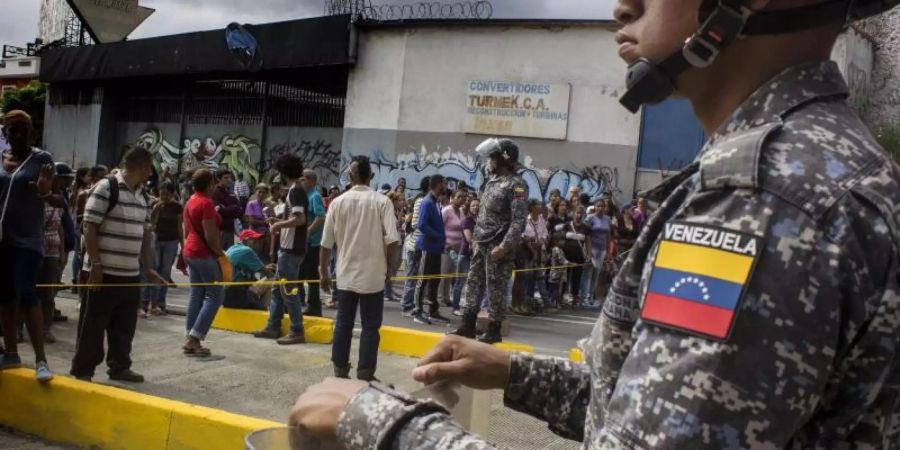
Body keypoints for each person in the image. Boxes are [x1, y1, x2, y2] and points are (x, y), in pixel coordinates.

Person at [289, 1, 900, 448]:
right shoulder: (806, 168)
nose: (622, 7)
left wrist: (382, 425)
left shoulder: (763, 201)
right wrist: (515, 372)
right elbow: (653, 408)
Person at [70, 146, 163, 383]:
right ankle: (83, 370)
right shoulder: (106, 187)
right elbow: (89, 226)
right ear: (141, 166)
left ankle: (120, 366)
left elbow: (144, 234)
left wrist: (148, 268)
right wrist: (97, 265)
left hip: (130, 274)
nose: (151, 173)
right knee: (93, 325)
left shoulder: (142, 194)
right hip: (103, 273)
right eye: (149, 167)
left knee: (124, 326)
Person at [320, 155, 400, 382]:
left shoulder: (337, 202)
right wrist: (390, 271)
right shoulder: (382, 202)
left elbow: (326, 244)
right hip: (374, 276)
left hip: (345, 275)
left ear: (350, 175)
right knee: (370, 327)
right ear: (371, 177)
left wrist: (324, 272)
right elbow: (392, 240)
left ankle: (339, 369)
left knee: (343, 324)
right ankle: (365, 373)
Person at [450, 138, 527, 344]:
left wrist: (504, 247)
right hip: (481, 242)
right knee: (473, 283)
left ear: (503, 159)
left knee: (496, 287)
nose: (489, 161)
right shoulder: (491, 180)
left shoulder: (516, 185)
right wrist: (475, 240)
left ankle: (494, 328)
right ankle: (467, 324)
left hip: (498, 245)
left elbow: (519, 221)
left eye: (493, 157)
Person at [0, 111, 58, 381]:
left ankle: (41, 360)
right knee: (4, 296)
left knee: (26, 292)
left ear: (33, 132)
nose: (19, 134)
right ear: (5, 133)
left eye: (24, 129)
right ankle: (11, 352)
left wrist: (45, 190)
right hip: (2, 240)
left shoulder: (42, 159)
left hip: (28, 240)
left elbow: (52, 195)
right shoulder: (1, 160)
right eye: (13, 130)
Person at [253, 154, 308, 345]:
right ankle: (273, 325)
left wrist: (277, 226)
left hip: (291, 248)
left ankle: (296, 330)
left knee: (287, 290)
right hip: (290, 247)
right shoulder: (296, 190)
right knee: (278, 289)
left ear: (283, 172)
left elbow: (300, 219)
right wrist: (279, 221)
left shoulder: (295, 191)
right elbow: (296, 219)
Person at [182, 169, 227, 357]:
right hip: (203, 254)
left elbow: (186, 230)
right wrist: (221, 255)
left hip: (190, 251)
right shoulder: (207, 203)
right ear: (209, 185)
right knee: (215, 296)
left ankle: (190, 337)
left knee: (197, 293)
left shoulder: (190, 200)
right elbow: (210, 236)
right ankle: (195, 337)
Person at [35, 163, 72, 344]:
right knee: (26, 291)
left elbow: (60, 228)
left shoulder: (57, 200)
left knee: (48, 294)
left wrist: (62, 252)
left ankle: (46, 329)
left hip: (51, 252)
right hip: (33, 250)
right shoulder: (32, 198)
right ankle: (19, 329)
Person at [411, 175, 449, 325]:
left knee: (435, 280)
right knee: (423, 280)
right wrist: (438, 235)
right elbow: (422, 225)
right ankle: (417, 311)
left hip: (436, 249)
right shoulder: (427, 202)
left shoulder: (435, 202)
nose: (446, 186)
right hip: (427, 247)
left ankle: (433, 311)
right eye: (444, 183)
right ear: (437, 184)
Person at [149, 181, 183, 315]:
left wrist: (182, 244)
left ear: (172, 193)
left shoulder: (177, 207)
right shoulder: (155, 204)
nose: (164, 197)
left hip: (171, 241)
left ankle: (161, 302)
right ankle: (153, 303)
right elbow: (150, 222)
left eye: (167, 194)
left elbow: (180, 226)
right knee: (155, 268)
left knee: (165, 271)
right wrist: (156, 209)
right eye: (162, 194)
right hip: (156, 240)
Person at [224, 230, 275, 310]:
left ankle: (261, 306)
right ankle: (265, 308)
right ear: (244, 240)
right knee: (273, 280)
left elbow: (242, 268)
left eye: (258, 241)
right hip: (238, 294)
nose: (257, 243)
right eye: (254, 240)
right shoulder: (247, 250)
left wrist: (263, 268)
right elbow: (268, 274)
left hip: (226, 294)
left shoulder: (232, 248)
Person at [298, 169, 326, 317]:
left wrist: (308, 232)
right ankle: (308, 303)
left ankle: (312, 305)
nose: (302, 182)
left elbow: (321, 217)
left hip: (312, 243)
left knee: (307, 274)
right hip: (305, 242)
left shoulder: (314, 196)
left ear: (312, 181)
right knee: (306, 274)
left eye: (304, 179)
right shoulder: (304, 195)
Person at [400, 178, 430, 316]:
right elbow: (415, 224)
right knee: (412, 276)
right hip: (415, 245)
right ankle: (406, 305)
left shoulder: (424, 200)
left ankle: (411, 304)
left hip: (419, 245)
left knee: (415, 276)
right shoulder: (421, 201)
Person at [580, 199, 611, 307]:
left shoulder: (607, 219)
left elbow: (608, 236)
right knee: (588, 273)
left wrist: (608, 251)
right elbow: (586, 235)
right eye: (598, 206)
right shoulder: (590, 218)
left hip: (602, 250)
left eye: (602, 206)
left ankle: (590, 296)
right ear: (595, 207)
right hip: (591, 249)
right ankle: (584, 297)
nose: (600, 208)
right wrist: (588, 251)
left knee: (596, 274)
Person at [519, 199, 548, 313]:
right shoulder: (525, 220)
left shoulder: (541, 219)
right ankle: (526, 302)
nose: (540, 206)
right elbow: (523, 235)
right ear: (531, 207)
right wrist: (531, 247)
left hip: (539, 250)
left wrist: (542, 241)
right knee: (528, 276)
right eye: (538, 204)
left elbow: (545, 233)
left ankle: (536, 302)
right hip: (527, 251)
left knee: (539, 276)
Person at [439, 189, 466, 308]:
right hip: (446, 247)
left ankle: (446, 297)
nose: (461, 199)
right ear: (453, 198)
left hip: (457, 248)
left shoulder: (461, 212)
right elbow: (439, 228)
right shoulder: (446, 211)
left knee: (450, 274)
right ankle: (440, 298)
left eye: (463, 197)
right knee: (443, 273)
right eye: (459, 197)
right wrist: (444, 244)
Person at [451, 197, 478, 316]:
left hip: (475, 255)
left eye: (478, 205)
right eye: (473, 205)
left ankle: (469, 306)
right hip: (465, 254)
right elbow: (469, 238)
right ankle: (455, 307)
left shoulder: (480, 221)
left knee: (472, 283)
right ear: (469, 207)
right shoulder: (467, 221)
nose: (476, 208)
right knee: (460, 282)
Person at [562, 205, 590, 307]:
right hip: (567, 254)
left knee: (577, 277)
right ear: (573, 213)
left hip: (579, 255)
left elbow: (588, 242)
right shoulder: (567, 225)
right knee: (565, 276)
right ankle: (562, 296)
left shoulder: (585, 227)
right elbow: (561, 239)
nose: (579, 215)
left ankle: (574, 297)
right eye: (577, 213)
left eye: (581, 213)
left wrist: (589, 254)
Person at [212, 169, 242, 250]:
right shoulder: (215, 192)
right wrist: (232, 208)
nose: (229, 180)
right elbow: (220, 210)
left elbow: (239, 208)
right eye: (225, 178)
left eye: (229, 178)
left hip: (230, 228)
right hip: (220, 229)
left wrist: (228, 208)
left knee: (229, 254)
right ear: (219, 179)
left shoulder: (229, 191)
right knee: (220, 255)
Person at [384, 192, 406, 303]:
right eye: (400, 200)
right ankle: (387, 292)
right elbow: (391, 227)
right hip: (392, 243)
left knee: (394, 267)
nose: (403, 202)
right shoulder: (389, 212)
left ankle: (390, 290)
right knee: (390, 267)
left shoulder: (397, 212)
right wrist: (398, 223)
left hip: (398, 240)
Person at [244, 183, 272, 261]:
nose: (261, 194)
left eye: (264, 192)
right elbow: (251, 221)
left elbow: (272, 219)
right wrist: (265, 222)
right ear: (256, 192)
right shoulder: (251, 204)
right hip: (255, 235)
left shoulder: (269, 205)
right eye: (259, 192)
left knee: (265, 258)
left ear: (267, 193)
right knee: (255, 257)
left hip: (267, 235)